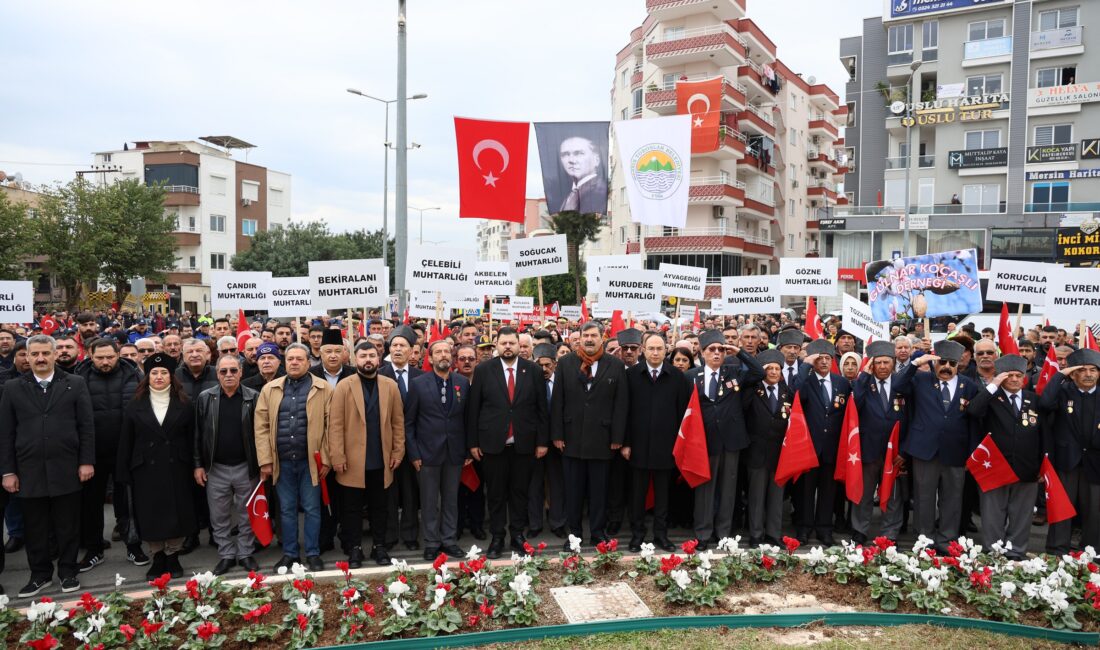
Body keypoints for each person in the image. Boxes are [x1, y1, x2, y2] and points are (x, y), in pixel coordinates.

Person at [0, 335, 95, 597]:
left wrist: (86, 461)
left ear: (54, 355)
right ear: (27, 357)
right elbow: (6, 432)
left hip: (67, 467)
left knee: (68, 526)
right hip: (28, 470)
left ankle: (68, 572)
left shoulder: (75, 384)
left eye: (45, 353)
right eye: (35, 354)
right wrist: (8, 471)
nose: (40, 358)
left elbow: (86, 426)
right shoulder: (12, 388)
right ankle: (40, 575)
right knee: (35, 527)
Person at [467, 327, 549, 559]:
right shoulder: (483, 370)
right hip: (493, 445)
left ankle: (517, 536)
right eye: (503, 343)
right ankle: (497, 537)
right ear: (496, 345)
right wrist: (473, 442)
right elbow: (474, 409)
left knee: (520, 493)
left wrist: (542, 441)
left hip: (524, 444)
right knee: (495, 494)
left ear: (520, 345)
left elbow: (542, 409)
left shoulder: (532, 370)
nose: (508, 347)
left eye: (512, 343)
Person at [894, 340, 980, 553]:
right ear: (934, 363)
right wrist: (915, 364)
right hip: (925, 450)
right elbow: (897, 386)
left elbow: (974, 421)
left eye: (952, 363)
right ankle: (925, 539)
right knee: (924, 498)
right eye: (942, 362)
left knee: (952, 499)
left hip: (956, 452)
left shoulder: (968, 385)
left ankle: (946, 539)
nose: (947, 367)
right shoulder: (921, 380)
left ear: (959, 364)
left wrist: (972, 453)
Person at [116, 353, 196, 581]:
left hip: (176, 467)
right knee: (150, 513)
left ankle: (173, 555)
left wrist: (195, 465)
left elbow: (192, 438)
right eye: (154, 373)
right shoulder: (135, 404)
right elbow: (126, 440)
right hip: (145, 470)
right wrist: (123, 472)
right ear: (147, 376)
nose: (159, 377)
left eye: (164, 373)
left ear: (171, 377)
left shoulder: (184, 403)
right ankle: (157, 555)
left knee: (176, 513)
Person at [254, 343, 333, 572]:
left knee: (311, 508)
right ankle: (290, 554)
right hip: (283, 461)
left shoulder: (324, 388)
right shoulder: (271, 389)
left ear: (309, 362)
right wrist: (265, 460)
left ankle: (312, 553)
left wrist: (326, 458)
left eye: (300, 359)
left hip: (312, 462)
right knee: (286, 509)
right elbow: (261, 427)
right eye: (290, 359)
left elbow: (331, 426)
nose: (295, 363)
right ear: (284, 362)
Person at [684, 330, 763, 549]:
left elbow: (759, 373)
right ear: (702, 352)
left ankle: (723, 534)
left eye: (721, 349)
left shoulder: (734, 372)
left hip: (732, 440)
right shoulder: (691, 376)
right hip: (704, 441)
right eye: (712, 350)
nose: (717, 353)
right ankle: (703, 534)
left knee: (728, 490)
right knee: (705, 489)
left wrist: (739, 353)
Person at [329, 342, 404, 567]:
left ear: (379, 358)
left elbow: (398, 422)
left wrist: (398, 451)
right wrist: (338, 456)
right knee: (351, 508)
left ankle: (379, 546)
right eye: (363, 356)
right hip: (352, 461)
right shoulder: (344, 386)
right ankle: (355, 548)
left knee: (379, 507)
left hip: (381, 458)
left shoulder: (390, 386)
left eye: (372, 355)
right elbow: (335, 424)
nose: (368, 360)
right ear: (355, 359)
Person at [76, 338, 145, 572]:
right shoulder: (78, 378)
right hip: (92, 453)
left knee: (127, 502)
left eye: (110, 357)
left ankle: (133, 546)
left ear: (118, 355)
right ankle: (94, 549)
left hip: (125, 450)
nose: (105, 362)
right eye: (99, 358)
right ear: (89, 356)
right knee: (91, 504)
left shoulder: (134, 375)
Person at [965, 354, 1041, 559]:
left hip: (1027, 465)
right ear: (1001, 377)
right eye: (1010, 375)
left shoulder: (1034, 399)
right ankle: (994, 550)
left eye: (1019, 375)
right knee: (992, 512)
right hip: (994, 465)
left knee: (1022, 513)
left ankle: (1016, 550)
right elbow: (973, 410)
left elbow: (1043, 433)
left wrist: (1042, 464)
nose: (1015, 379)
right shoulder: (991, 398)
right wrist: (994, 384)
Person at [193, 353, 261, 575]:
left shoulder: (253, 397)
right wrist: (198, 465)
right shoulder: (205, 398)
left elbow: (262, 433)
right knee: (219, 515)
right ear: (217, 374)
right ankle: (226, 554)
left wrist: (263, 464)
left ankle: (245, 553)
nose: (229, 375)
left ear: (241, 372)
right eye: (223, 371)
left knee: (246, 513)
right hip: (216, 467)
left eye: (233, 370)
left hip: (246, 465)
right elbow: (198, 434)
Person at [622, 333, 690, 552]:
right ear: (643, 349)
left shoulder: (677, 377)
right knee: (637, 496)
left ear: (666, 350)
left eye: (659, 348)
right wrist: (625, 443)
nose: (655, 352)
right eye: (650, 348)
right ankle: (637, 535)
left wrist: (679, 447)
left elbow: (682, 415)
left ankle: (661, 535)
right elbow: (624, 412)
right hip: (637, 446)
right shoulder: (631, 375)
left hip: (666, 446)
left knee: (663, 496)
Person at [405, 340, 469, 560]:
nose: (443, 355)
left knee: (451, 500)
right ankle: (432, 542)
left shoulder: (462, 382)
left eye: (446, 352)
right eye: (438, 352)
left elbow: (466, 420)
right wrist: (413, 454)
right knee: (430, 501)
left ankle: (449, 540)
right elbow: (409, 422)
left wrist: (468, 451)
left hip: (455, 452)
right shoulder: (418, 383)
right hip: (426, 453)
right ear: (430, 358)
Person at [791, 339, 853, 546]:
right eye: (819, 359)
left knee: (828, 491)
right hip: (808, 446)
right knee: (805, 491)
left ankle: (824, 529)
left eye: (828, 358)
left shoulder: (842, 382)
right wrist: (805, 365)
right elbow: (795, 394)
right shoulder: (805, 381)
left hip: (832, 446)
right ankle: (804, 528)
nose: (824, 362)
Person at [1039, 348, 1100, 554]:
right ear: (1073, 373)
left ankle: (1092, 551)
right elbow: (1044, 403)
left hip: (1096, 462)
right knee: (1062, 507)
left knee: (1095, 510)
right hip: (1067, 460)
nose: (1089, 374)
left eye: (1093, 370)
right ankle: (1057, 549)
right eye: (1083, 370)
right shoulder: (1063, 392)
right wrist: (1060, 375)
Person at [849, 341, 905, 544]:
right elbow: (855, 405)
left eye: (886, 362)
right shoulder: (863, 383)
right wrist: (863, 375)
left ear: (893, 363)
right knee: (863, 493)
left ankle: (889, 534)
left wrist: (904, 450)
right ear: (872, 364)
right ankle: (859, 530)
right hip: (867, 448)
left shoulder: (902, 384)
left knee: (893, 494)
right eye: (878, 362)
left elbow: (913, 417)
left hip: (895, 452)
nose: (882, 366)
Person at [743, 349, 794, 546]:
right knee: (756, 496)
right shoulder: (752, 390)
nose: (774, 372)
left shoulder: (787, 391)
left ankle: (773, 533)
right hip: (756, 452)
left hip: (780, 453)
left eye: (777, 369)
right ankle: (756, 535)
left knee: (776, 496)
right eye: (769, 368)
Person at [378, 326, 423, 551]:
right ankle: (389, 535)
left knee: (411, 493)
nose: (397, 349)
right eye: (394, 345)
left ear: (412, 351)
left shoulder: (422, 377)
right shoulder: (378, 375)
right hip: (386, 445)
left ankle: (410, 534)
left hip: (413, 444)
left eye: (402, 346)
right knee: (388, 492)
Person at [529, 343, 566, 538]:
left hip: (558, 443)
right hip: (534, 444)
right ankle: (535, 524)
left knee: (557, 484)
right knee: (534, 484)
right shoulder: (528, 382)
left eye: (547, 365)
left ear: (555, 364)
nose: (543, 369)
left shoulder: (564, 382)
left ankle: (557, 522)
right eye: (539, 364)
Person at [556, 135, 607, 214]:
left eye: (579, 153)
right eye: (565, 154)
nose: (571, 160)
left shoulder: (600, 191)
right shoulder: (569, 194)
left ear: (596, 160)